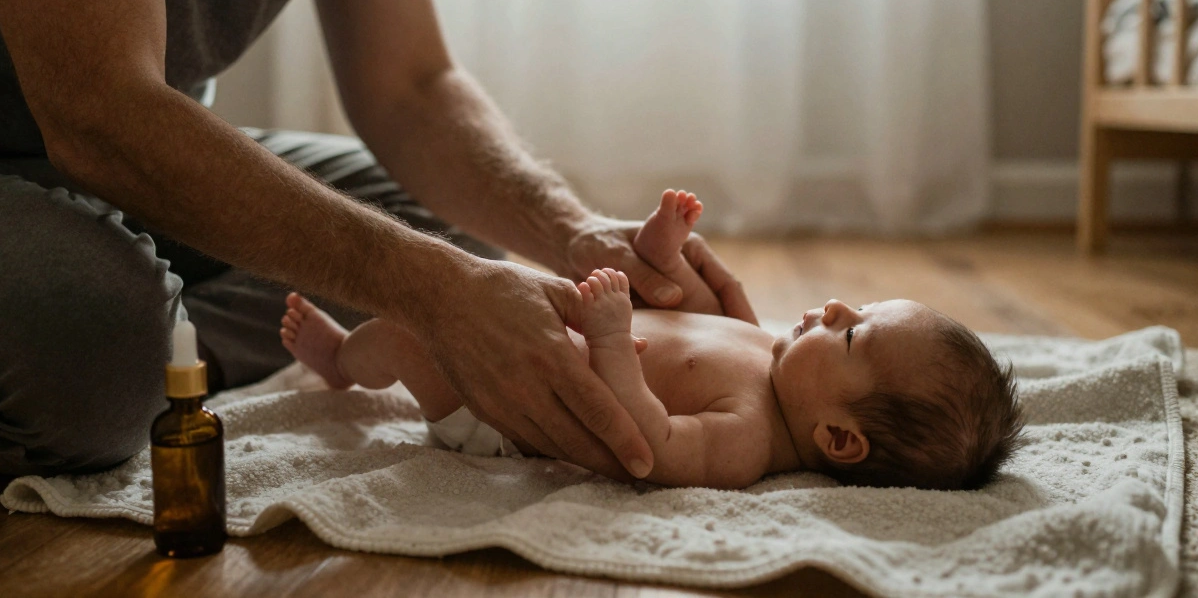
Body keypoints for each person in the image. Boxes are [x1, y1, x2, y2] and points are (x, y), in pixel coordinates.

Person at [0, 0, 756, 480]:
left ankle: (170, 338)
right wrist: (434, 293)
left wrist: (571, 231)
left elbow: (411, 88)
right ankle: (134, 330)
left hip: (123, 150)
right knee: (92, 355)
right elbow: (100, 111)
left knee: (438, 236)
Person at [283, 190, 1024, 490]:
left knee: (409, 334)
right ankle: (351, 354)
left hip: (503, 409)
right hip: (536, 337)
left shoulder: (748, 439)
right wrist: (664, 250)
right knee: (469, 279)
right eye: (856, 307)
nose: (834, 307)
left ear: (838, 439)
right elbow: (688, 306)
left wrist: (611, 344)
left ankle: (346, 361)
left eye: (854, 335)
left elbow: (651, 447)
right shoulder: (769, 352)